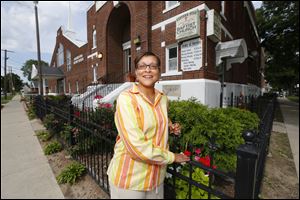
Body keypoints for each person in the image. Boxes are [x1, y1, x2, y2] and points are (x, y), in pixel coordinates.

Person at [107, 52, 190, 199]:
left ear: (159, 72)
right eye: (142, 66)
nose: (147, 70)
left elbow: (155, 119)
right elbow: (136, 147)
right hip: (130, 180)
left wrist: (170, 127)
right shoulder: (127, 99)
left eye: (153, 66)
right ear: (136, 73)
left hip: (156, 177)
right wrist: (173, 157)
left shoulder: (162, 98)